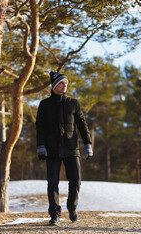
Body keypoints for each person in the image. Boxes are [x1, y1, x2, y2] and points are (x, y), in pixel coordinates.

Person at [36, 71, 93, 226]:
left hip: (71, 148)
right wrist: (40, 145)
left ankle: (72, 207)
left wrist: (88, 144)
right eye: (62, 83)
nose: (65, 85)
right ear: (55, 85)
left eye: (66, 83)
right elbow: (39, 127)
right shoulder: (44, 105)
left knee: (76, 179)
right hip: (52, 149)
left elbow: (82, 125)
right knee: (52, 182)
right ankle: (54, 215)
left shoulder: (73, 103)